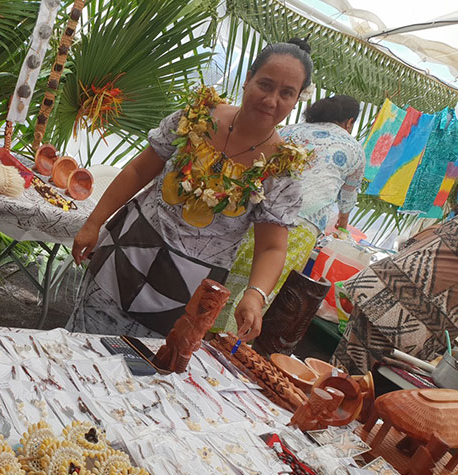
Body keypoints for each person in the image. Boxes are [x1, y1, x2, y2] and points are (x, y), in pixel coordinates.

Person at [68, 39, 313, 342]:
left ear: (297, 99)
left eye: (286, 93)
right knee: (77, 347)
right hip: (125, 257)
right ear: (248, 79)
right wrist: (93, 223)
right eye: (265, 84)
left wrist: (255, 295)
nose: (271, 100)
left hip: (188, 294)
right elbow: (137, 171)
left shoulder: (281, 170)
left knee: (143, 375)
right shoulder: (197, 117)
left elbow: (271, 247)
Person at [213, 95, 366, 332]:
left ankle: (204, 325)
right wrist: (342, 226)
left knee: (233, 271)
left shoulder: (290, 130)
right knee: (262, 287)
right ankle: (228, 341)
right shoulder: (354, 149)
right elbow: (348, 196)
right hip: (304, 224)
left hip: (257, 210)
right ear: (350, 121)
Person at [332, 216, 458, 374]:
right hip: (406, 316)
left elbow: (412, 241)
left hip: (380, 290)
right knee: (355, 382)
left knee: (344, 370)